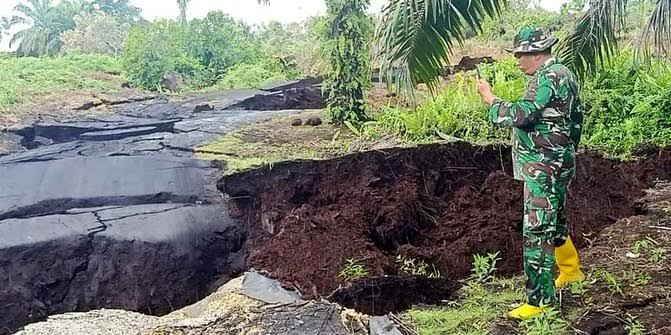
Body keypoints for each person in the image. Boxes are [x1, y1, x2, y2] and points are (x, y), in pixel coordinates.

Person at [476, 27, 586, 319]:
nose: (517, 61)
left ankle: (539, 302)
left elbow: (521, 115)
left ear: (537, 53)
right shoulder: (564, 74)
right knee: (557, 220)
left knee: (537, 230)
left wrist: (490, 98)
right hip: (559, 161)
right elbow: (575, 121)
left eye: (520, 55)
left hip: (543, 166)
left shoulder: (548, 77)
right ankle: (571, 271)